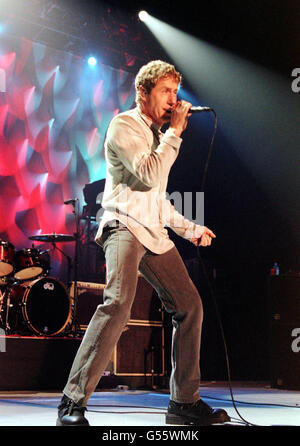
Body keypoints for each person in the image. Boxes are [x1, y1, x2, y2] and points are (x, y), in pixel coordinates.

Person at [56, 60, 230, 426]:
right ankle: (72, 402)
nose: (173, 101)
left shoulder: (156, 136)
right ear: (143, 93)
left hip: (153, 230)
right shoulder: (125, 126)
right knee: (118, 303)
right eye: (165, 92)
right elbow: (150, 174)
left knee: (190, 306)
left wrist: (190, 229)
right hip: (123, 226)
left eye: (176, 93)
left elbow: (158, 201)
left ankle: (183, 403)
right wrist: (175, 134)